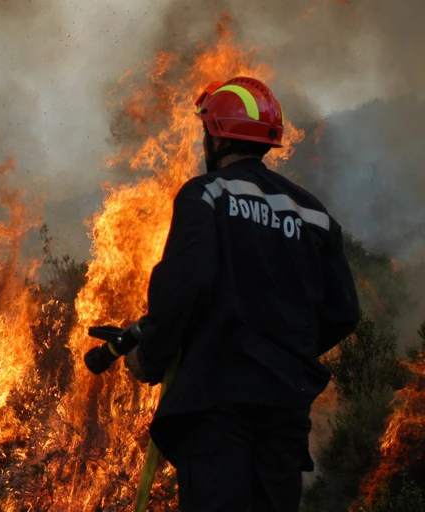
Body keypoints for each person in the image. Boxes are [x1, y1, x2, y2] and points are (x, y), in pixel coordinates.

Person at [121, 77, 361, 511]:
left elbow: (184, 284)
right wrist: (284, 349)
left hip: (218, 409)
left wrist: (151, 357)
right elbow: (343, 312)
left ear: (215, 134)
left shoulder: (207, 194)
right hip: (284, 413)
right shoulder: (314, 215)